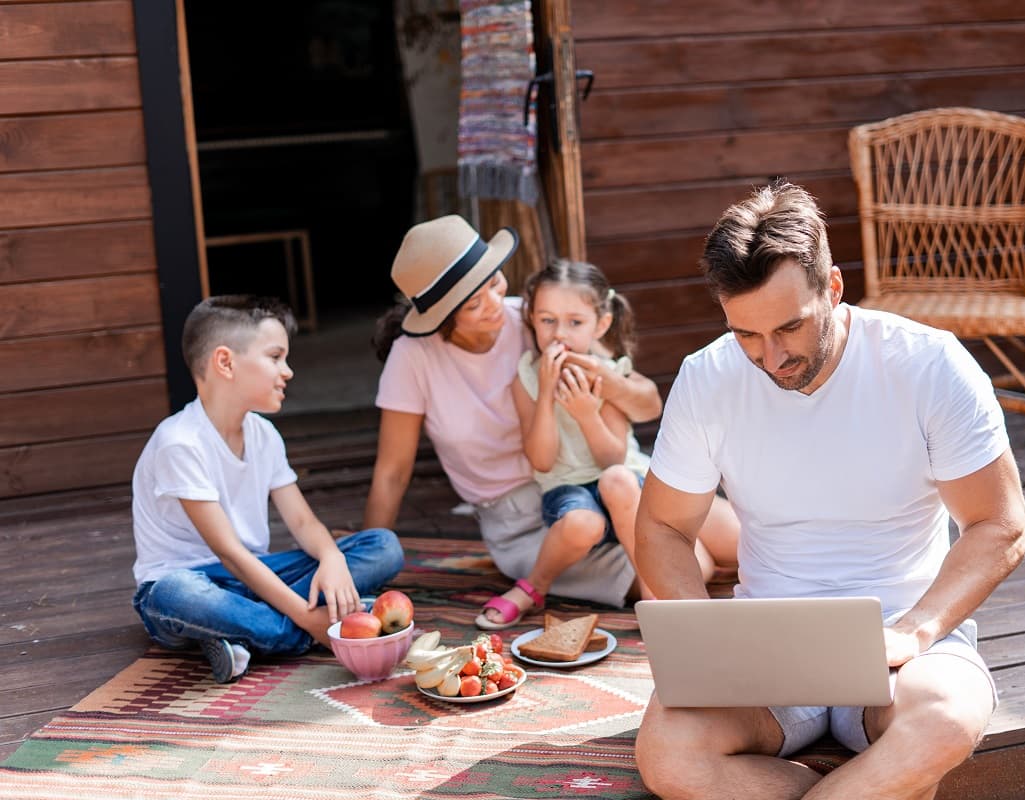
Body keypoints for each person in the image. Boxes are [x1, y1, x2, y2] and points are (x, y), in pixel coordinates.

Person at [633, 181, 1025, 800]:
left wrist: (917, 630)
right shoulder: (708, 376)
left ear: (835, 288)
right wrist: (703, 637)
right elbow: (662, 526)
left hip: (905, 642)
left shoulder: (928, 365)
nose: (770, 358)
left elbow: (1000, 525)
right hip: (764, 650)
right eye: (747, 335)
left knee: (948, 720)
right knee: (668, 758)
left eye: (789, 328)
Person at [362, 215, 739, 629]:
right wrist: (368, 565)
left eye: (494, 282)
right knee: (693, 565)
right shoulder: (413, 359)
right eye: (473, 303)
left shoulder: (537, 318)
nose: (493, 303)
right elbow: (393, 472)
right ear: (442, 317)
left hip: (608, 475)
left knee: (741, 539)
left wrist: (601, 386)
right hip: (535, 518)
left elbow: (644, 400)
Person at [131, 296, 406, 683]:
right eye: (275, 357)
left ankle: (239, 633)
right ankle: (312, 623)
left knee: (382, 546)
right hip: (191, 583)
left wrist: (331, 558)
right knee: (177, 594)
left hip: (254, 575)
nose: (288, 371)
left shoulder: (264, 434)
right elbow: (229, 553)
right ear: (225, 362)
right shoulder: (180, 442)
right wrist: (310, 620)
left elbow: (303, 522)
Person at [494, 260, 680, 628]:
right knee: (582, 523)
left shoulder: (605, 373)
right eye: (547, 320)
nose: (559, 334)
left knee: (618, 479)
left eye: (575, 323)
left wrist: (585, 414)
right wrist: (546, 392)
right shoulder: (526, 379)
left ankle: (652, 593)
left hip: (625, 497)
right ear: (531, 318)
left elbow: (613, 458)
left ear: (601, 324)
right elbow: (542, 461)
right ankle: (533, 587)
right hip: (567, 492)